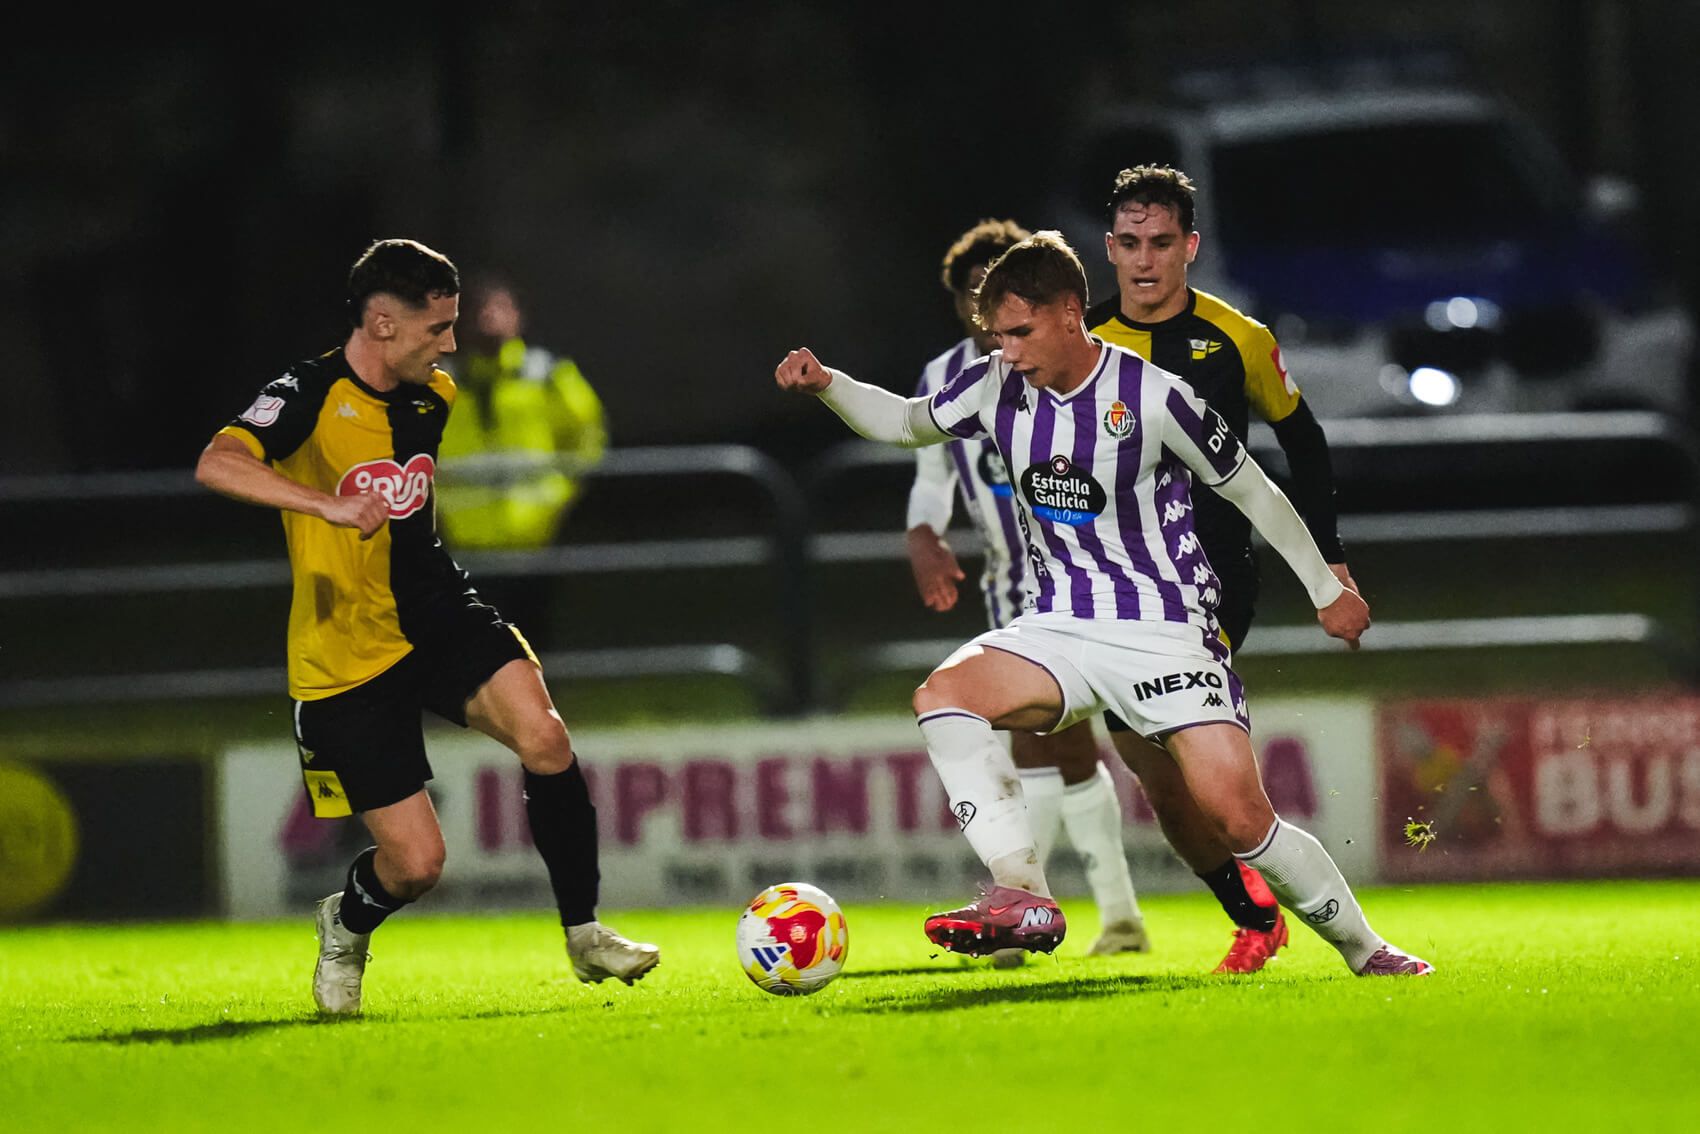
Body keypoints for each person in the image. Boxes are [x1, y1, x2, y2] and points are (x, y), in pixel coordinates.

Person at [775, 231, 1430, 976]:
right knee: (943, 697)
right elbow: (904, 422)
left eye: (1022, 332)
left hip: (1163, 629)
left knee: (1238, 818)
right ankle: (1021, 892)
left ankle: (1367, 950)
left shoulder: (1152, 397)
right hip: (1058, 623)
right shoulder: (995, 384)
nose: (1010, 351)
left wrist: (1326, 589)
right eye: (999, 336)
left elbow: (1252, 488)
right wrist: (828, 383)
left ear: (1070, 314)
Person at [195, 238, 658, 1016]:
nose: (450, 344)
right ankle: (346, 922)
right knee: (415, 865)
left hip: (439, 611)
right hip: (345, 646)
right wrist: (326, 504)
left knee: (545, 739)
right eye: (435, 328)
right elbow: (217, 461)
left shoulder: (430, 394)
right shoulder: (307, 392)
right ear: (381, 323)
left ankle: (584, 932)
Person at [1082, 164, 1357, 973]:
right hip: (1118, 589)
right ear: (1109, 249)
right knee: (1150, 770)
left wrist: (1330, 560)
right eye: (1129, 243)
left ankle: (1305, 906)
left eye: (1161, 243)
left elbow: (1302, 441)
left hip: (1212, 579)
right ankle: (1252, 911)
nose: (1144, 260)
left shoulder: (1238, 339)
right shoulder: (1087, 344)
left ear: (1189, 247)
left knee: (1183, 753)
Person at [907, 218, 1149, 965]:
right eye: (972, 295)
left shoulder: (1068, 362)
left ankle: (1022, 917)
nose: (985, 305)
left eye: (996, 288)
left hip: (1093, 583)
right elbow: (931, 474)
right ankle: (1114, 915)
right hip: (1013, 585)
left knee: (1059, 752)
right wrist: (924, 534)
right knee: (1062, 753)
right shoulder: (952, 376)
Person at [434, 276, 607, 637]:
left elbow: (589, 433)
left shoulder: (547, 374)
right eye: (480, 310)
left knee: (534, 644)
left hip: (536, 539)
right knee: (473, 652)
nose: (489, 319)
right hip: (464, 544)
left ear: (518, 317)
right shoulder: (437, 384)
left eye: (499, 308)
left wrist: (563, 491)